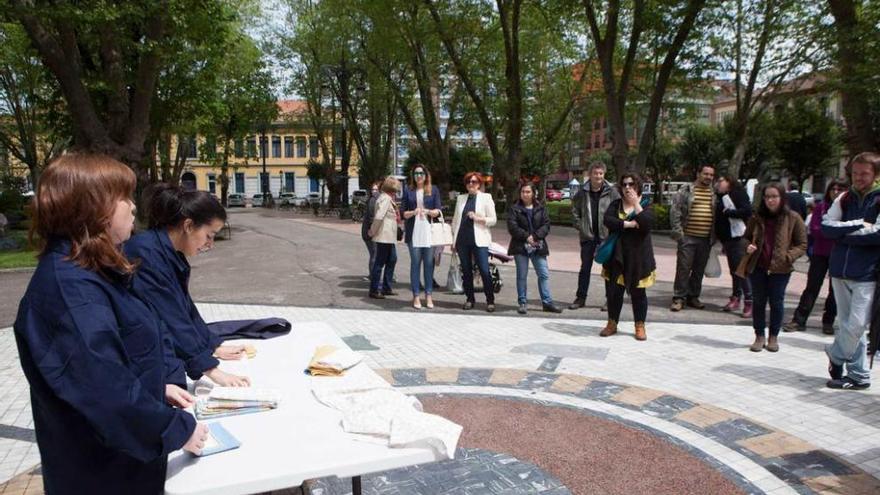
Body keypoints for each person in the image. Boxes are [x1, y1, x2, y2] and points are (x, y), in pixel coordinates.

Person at [13, 153, 207, 494]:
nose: (133, 208)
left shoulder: (91, 270)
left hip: (121, 464)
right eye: (124, 198)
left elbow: (114, 356)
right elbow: (105, 392)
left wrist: (156, 385)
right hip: (103, 475)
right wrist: (177, 429)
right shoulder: (70, 291)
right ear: (93, 207)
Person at [124, 184, 251, 386]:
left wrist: (211, 345)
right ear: (189, 226)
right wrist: (212, 370)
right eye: (209, 235)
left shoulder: (166, 252)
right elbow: (171, 317)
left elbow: (185, 308)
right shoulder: (146, 255)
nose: (210, 244)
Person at [821, 152, 880, 390]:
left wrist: (842, 233)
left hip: (867, 272)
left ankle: (835, 355)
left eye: (864, 173)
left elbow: (877, 234)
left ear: (875, 174)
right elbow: (826, 226)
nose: (859, 178)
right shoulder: (844, 198)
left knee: (856, 324)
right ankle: (858, 375)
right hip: (839, 270)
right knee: (844, 322)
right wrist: (856, 226)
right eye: (855, 173)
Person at [736, 183, 807, 352]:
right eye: (767, 197)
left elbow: (802, 244)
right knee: (759, 302)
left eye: (774, 196)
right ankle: (759, 335)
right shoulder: (757, 217)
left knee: (777, 302)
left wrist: (788, 257)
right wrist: (747, 246)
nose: (770, 200)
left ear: (782, 198)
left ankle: (773, 336)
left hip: (781, 269)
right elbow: (744, 238)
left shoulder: (793, 217)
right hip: (758, 267)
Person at [783, 179, 848, 334]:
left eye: (840, 189)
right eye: (833, 188)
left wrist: (833, 230)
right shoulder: (821, 207)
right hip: (820, 253)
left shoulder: (848, 209)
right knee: (812, 287)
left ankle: (828, 321)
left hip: (839, 255)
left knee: (835, 290)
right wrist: (836, 231)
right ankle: (799, 320)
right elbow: (815, 229)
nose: (836, 192)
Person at [599, 173, 656, 341]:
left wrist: (636, 204)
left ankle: (640, 326)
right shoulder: (616, 205)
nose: (627, 188)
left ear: (638, 186)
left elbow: (646, 224)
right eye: (624, 185)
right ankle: (612, 323)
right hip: (617, 257)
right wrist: (628, 224)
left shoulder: (645, 205)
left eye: (631, 184)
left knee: (639, 294)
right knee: (614, 293)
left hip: (638, 257)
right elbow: (608, 220)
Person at [507, 182, 563, 315]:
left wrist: (536, 237)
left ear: (533, 193)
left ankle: (547, 302)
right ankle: (522, 302)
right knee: (522, 275)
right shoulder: (515, 209)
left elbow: (546, 224)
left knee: (543, 274)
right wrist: (527, 237)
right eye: (523, 192)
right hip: (521, 246)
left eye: (528, 192)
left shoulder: (541, 208)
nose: (525, 194)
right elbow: (512, 226)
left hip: (538, 246)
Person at [570, 162, 619, 310]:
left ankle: (609, 299)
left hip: (606, 237)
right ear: (590, 175)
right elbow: (574, 213)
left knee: (608, 269)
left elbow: (618, 211)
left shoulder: (612, 192)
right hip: (588, 238)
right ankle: (580, 298)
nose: (598, 176)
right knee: (585, 268)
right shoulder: (582, 193)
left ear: (604, 175)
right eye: (595, 173)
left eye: (601, 173)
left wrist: (613, 229)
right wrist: (582, 228)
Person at [670, 164, 716, 311]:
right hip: (687, 237)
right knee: (683, 268)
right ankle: (678, 298)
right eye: (705, 174)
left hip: (706, 239)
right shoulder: (686, 189)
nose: (708, 177)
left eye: (711, 175)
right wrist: (679, 233)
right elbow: (675, 210)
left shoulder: (714, 192)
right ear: (698, 174)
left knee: (699, 269)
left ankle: (693, 296)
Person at [452, 172, 497, 312]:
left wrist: (479, 218)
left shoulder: (486, 197)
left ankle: (490, 300)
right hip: (462, 240)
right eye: (468, 182)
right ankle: (470, 299)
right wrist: (453, 241)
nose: (471, 184)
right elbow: (455, 220)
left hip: (480, 240)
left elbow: (493, 219)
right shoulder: (461, 198)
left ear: (479, 184)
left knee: (484, 270)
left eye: (474, 182)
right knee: (466, 271)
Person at [402, 165, 442, 309]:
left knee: (429, 265)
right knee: (415, 264)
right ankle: (416, 296)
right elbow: (403, 213)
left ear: (426, 175)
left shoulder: (434, 190)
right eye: (416, 173)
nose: (418, 175)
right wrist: (413, 212)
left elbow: (438, 210)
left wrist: (429, 211)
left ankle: (429, 295)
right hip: (414, 232)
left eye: (421, 173)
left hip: (428, 232)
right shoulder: (408, 191)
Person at [715, 174, 754, 317]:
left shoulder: (738, 194)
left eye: (721, 180)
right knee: (734, 271)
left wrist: (729, 212)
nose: (718, 183)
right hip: (728, 240)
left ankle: (749, 301)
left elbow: (747, 211)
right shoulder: (722, 196)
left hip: (738, 238)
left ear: (729, 182)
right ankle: (736, 298)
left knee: (741, 271)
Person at [368, 176, 401, 299]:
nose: (396, 192)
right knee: (380, 262)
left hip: (388, 237)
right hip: (384, 237)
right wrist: (372, 231)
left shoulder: (387, 198)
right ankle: (374, 290)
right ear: (391, 189)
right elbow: (379, 217)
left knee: (392, 259)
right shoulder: (385, 199)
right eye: (395, 190)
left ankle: (386, 287)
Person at [360, 181, 381, 282]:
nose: (374, 191)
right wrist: (373, 231)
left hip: (370, 232)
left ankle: (374, 275)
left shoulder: (376, 200)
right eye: (373, 189)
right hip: (370, 233)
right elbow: (372, 219)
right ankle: (372, 276)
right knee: (375, 253)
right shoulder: (373, 200)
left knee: (375, 254)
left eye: (376, 190)